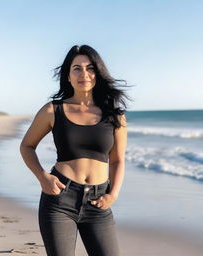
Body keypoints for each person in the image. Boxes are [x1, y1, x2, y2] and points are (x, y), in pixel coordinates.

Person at [20, 45, 128, 256]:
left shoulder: (114, 115)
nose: (84, 74)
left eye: (90, 68)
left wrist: (113, 195)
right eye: (76, 68)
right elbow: (26, 146)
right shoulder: (53, 110)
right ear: (68, 76)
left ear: (98, 73)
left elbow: (117, 161)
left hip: (99, 201)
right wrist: (43, 177)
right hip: (60, 199)